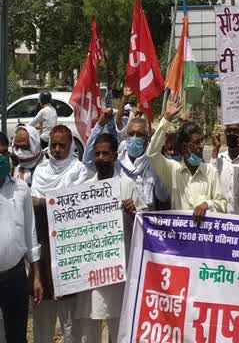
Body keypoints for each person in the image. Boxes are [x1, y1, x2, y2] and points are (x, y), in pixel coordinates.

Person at [75, 129, 145, 343]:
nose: (100, 159)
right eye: (97, 154)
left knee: (118, 326)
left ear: (114, 156)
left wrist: (134, 213)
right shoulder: (84, 189)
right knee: (89, 330)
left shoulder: (127, 185)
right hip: (91, 271)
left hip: (118, 270)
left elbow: (143, 230)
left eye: (105, 154)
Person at [30, 125, 93, 343]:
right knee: (43, 320)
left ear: (70, 146)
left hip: (70, 253)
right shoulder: (40, 171)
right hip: (45, 251)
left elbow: (73, 206)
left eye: (61, 145)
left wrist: (43, 202)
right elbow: (38, 205)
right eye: (53, 145)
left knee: (71, 324)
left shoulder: (79, 171)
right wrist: (54, 201)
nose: (56, 149)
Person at [147, 97, 226, 223]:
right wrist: (166, 119)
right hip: (181, 239)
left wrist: (207, 205)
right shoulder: (172, 170)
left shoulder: (211, 171)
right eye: (196, 142)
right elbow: (152, 153)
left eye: (202, 141)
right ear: (184, 146)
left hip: (205, 238)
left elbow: (222, 204)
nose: (201, 146)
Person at [84, 109, 169, 211]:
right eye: (131, 134)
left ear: (147, 139)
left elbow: (163, 197)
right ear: (126, 137)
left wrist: (158, 169)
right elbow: (88, 162)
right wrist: (100, 124)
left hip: (145, 221)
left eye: (139, 135)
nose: (134, 138)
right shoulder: (116, 162)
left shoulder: (153, 164)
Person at [0, 145, 43, 342]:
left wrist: (36, 276)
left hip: (15, 275)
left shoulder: (21, 188)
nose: (0, 158)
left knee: (16, 335)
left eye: (3, 153)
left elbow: (30, 232)